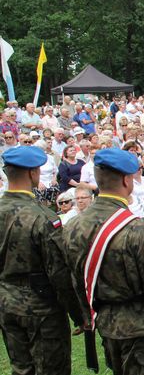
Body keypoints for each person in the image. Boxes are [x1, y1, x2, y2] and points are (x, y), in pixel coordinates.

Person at [64, 148, 144, 375]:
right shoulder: (139, 230)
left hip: (105, 321)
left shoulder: (73, 227)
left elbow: (73, 278)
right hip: (141, 327)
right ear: (127, 180)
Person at [0, 146, 83, 375]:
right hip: (41, 307)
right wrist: (79, 314)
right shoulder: (42, 217)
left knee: (21, 368)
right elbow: (59, 274)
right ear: (33, 173)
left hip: (7, 302)